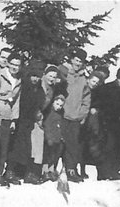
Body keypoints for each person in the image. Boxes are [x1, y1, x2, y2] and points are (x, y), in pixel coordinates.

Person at [59, 48, 91, 182]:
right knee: (57, 144)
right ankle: (49, 170)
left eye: (81, 61)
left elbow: (86, 98)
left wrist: (82, 115)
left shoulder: (84, 78)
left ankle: (71, 170)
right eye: (76, 60)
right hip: (62, 114)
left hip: (75, 118)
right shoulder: (64, 72)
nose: (78, 63)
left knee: (73, 145)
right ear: (72, 59)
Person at [0, 52, 22, 186]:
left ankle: (0, 174)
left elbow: (17, 101)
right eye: (13, 64)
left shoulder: (18, 80)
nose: (15, 67)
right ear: (8, 63)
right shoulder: (0, 75)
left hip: (8, 116)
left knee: (4, 147)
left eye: (18, 65)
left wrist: (14, 119)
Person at [42, 94, 66, 181]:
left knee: (54, 155)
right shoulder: (50, 113)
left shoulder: (60, 114)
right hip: (50, 139)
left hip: (57, 138)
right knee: (47, 155)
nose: (59, 107)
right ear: (53, 102)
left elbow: (59, 126)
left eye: (61, 105)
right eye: (57, 104)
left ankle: (51, 170)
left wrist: (61, 137)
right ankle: (45, 171)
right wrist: (48, 138)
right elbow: (47, 126)